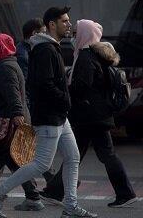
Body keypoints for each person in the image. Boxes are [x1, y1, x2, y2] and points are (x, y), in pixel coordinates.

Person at [0, 7, 97, 218]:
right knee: (41, 164)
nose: (68, 25)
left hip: (59, 116)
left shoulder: (51, 47)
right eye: (64, 21)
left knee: (72, 157)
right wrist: (65, 99)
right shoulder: (45, 50)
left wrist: (64, 102)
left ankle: (70, 206)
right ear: (52, 25)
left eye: (68, 21)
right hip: (49, 116)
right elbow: (43, 84)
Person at [42, 21, 137, 208]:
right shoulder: (97, 54)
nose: (74, 35)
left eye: (77, 32)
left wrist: (67, 89)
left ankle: (125, 193)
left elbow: (82, 86)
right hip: (96, 115)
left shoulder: (86, 56)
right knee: (76, 154)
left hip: (90, 116)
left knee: (94, 155)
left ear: (85, 34)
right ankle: (55, 191)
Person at [0, 34, 44, 212]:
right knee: (12, 159)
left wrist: (17, 113)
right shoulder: (5, 64)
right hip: (5, 122)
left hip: (3, 124)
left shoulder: (5, 68)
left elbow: (12, 92)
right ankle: (33, 196)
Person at [15, 18, 46, 84]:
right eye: (43, 33)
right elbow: (26, 82)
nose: (46, 36)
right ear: (34, 33)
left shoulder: (32, 49)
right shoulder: (23, 56)